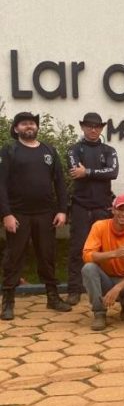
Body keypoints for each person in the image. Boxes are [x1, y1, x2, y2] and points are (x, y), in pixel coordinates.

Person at [0, 112, 71, 320]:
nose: (29, 126)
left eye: (32, 123)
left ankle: (53, 297)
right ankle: (8, 302)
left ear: (37, 127)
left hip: (46, 214)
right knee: (13, 257)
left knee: (47, 256)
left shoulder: (49, 150)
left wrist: (62, 210)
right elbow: (1, 185)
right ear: (16, 129)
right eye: (24, 124)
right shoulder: (10, 150)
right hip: (18, 214)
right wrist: (6, 214)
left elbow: (60, 182)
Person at [66, 112, 119, 306]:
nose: (93, 129)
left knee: (104, 250)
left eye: (97, 126)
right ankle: (74, 290)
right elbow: (75, 172)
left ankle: (105, 288)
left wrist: (87, 171)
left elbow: (113, 172)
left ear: (102, 128)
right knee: (77, 249)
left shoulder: (109, 150)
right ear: (82, 127)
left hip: (102, 208)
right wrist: (97, 173)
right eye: (89, 126)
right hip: (80, 206)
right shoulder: (74, 150)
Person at [81, 195, 124, 330]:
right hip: (105, 277)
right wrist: (114, 254)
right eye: (120, 209)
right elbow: (87, 256)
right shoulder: (99, 227)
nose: (123, 214)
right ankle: (99, 313)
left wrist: (117, 288)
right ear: (113, 210)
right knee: (88, 268)